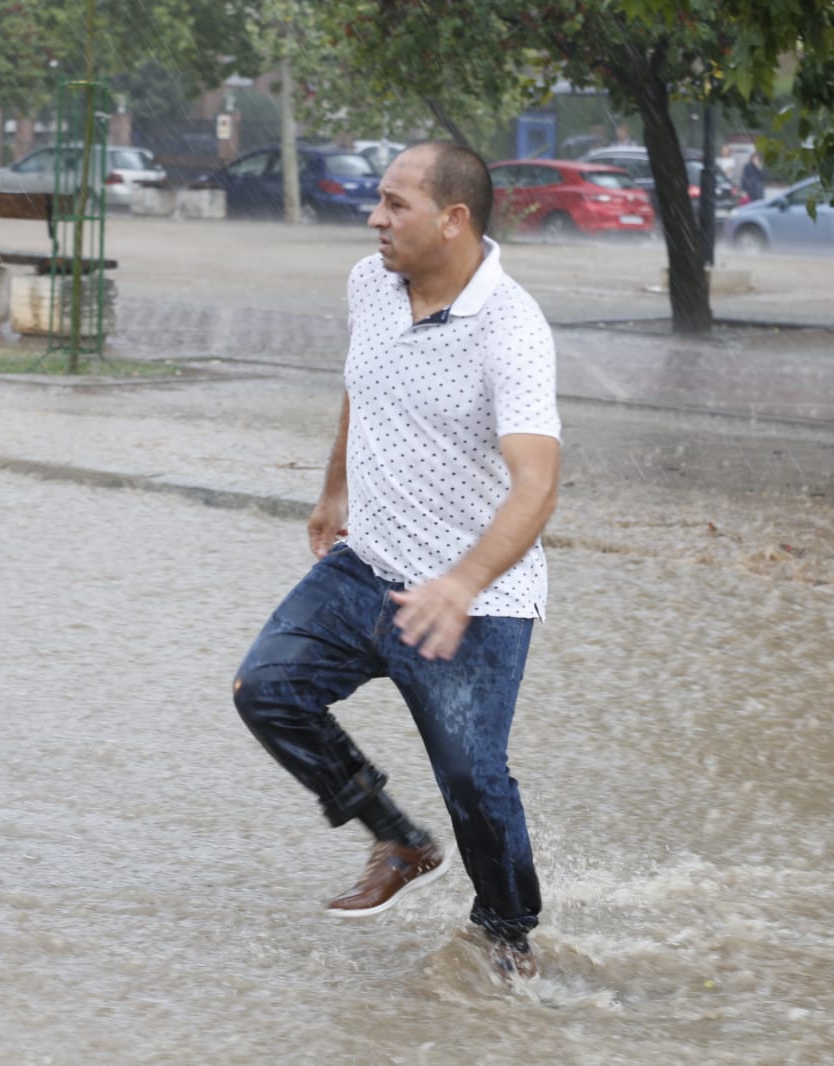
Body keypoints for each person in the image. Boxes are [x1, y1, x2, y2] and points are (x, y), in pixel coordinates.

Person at [232, 140, 560, 981]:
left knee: (474, 778)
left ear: (453, 220)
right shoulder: (367, 284)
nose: (374, 218)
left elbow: (537, 485)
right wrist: (334, 486)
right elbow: (362, 380)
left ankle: (506, 934)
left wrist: (461, 581)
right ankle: (398, 839)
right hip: (364, 565)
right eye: (377, 201)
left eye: (394, 204)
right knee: (266, 690)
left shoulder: (512, 329)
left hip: (472, 597)